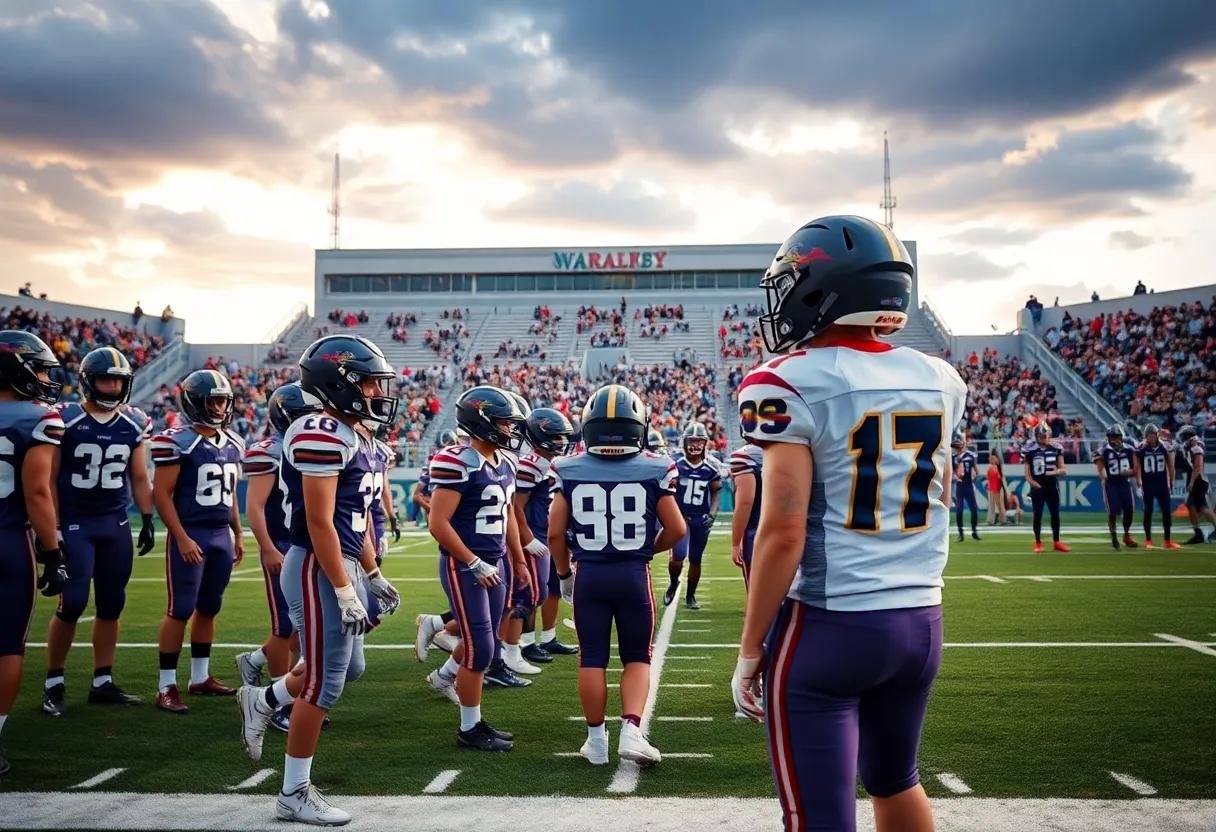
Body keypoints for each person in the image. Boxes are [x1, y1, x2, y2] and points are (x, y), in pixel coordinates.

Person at [730, 216, 967, 832]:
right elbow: (938, 488)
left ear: (821, 288)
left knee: (819, 817)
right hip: (921, 622)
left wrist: (752, 645)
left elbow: (781, 528)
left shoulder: (787, 380)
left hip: (832, 628)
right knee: (897, 782)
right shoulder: (941, 378)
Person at [237, 335, 400, 825]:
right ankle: (294, 792)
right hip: (314, 564)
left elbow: (356, 521)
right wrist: (345, 587)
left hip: (341, 561)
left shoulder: (363, 437)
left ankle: (263, 699)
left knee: (349, 670)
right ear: (339, 384)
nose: (378, 391)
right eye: (369, 382)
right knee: (325, 685)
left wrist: (370, 573)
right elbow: (319, 523)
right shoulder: (319, 431)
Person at [549, 384, 685, 766]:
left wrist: (564, 575)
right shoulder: (656, 467)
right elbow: (677, 530)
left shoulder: (568, 467)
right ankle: (631, 731)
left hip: (589, 573)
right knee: (637, 657)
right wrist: (645, 550)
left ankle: (596, 742)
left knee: (591, 657)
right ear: (638, 426)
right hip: (632, 575)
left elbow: (555, 533)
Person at [43, 348, 155, 716]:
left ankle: (102, 681)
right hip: (76, 522)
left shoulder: (133, 423)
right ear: (89, 380)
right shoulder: (66, 419)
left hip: (115, 523)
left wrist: (148, 517)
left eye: (118, 380)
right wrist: (54, 530)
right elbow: (50, 480)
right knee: (72, 603)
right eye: (106, 378)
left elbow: (139, 476)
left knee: (111, 604)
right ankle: (54, 681)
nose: (112, 386)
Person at [424, 386, 528, 748]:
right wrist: (472, 560)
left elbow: (508, 517)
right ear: (481, 422)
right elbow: (438, 523)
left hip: (494, 561)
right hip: (463, 564)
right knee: (480, 647)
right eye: (503, 423)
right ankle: (470, 728)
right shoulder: (457, 460)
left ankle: (451, 687)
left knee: (486, 641)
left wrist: (517, 558)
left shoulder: (506, 462)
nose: (510, 431)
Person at [149, 370, 244, 713]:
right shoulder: (177, 440)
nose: (219, 407)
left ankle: (200, 676)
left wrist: (238, 530)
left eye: (223, 400)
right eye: (213, 400)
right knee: (181, 609)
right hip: (191, 532)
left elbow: (230, 494)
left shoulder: (233, 442)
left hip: (220, 533)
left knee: (210, 607)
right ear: (194, 402)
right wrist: (182, 537)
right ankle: (166, 685)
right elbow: (161, 495)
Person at [234, 383, 322, 724]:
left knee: (303, 625)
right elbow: (254, 507)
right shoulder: (268, 450)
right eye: (306, 414)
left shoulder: (311, 446)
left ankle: (257, 664)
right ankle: (276, 703)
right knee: (284, 625)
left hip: (302, 542)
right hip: (281, 544)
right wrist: (268, 547)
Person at [0, 331, 67, 776]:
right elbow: (38, 492)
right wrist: (52, 551)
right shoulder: (38, 418)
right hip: (7, 540)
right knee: (7, 646)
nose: (45, 377)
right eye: (40, 369)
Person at [512, 407, 575, 666]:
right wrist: (527, 538)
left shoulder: (553, 464)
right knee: (531, 593)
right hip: (536, 535)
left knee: (553, 589)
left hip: (550, 534)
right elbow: (514, 507)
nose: (562, 442)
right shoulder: (529, 465)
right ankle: (526, 643)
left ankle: (549, 637)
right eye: (557, 436)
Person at [663, 422, 721, 610]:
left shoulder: (710, 469)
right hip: (681, 518)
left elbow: (716, 492)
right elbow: (667, 493)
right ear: (685, 442)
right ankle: (673, 583)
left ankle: (691, 596)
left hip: (700, 518)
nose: (695, 445)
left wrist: (712, 514)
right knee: (678, 555)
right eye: (692, 440)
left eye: (699, 441)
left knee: (696, 559)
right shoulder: (676, 466)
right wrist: (674, 514)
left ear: (705, 443)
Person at [1023, 424, 1069, 553]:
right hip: (1038, 487)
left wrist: (1052, 473)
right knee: (1037, 514)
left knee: (1055, 514)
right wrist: (1032, 483)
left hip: (1051, 485)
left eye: (1046, 435)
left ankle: (1056, 541)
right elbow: (1027, 473)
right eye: (1042, 436)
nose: (1045, 438)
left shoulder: (1056, 448)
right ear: (1037, 436)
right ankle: (1037, 542)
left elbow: (1063, 469)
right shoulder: (1030, 450)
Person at [1134, 424, 1179, 549]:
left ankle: (1167, 540)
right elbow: (1137, 464)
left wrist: (1172, 478)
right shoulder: (1141, 448)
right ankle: (1148, 540)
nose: (1151, 437)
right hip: (1148, 484)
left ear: (1157, 435)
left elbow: (1170, 464)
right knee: (1148, 511)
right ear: (1146, 436)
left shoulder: (1165, 446)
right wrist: (1138, 478)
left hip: (1161, 483)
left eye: (1153, 435)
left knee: (1166, 511)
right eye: (1149, 435)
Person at [729, 432, 763, 591]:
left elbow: (745, 503)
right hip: (794, 529)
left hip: (758, 531)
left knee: (758, 595)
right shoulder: (791, 452)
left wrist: (736, 543)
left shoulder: (747, 456)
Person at [1095, 424, 1137, 550]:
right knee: (1113, 512)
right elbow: (1100, 469)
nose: (1115, 439)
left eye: (1117, 436)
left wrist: (1131, 472)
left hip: (1124, 483)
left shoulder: (1129, 449)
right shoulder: (1103, 450)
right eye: (1112, 437)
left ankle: (1126, 534)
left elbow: (1135, 467)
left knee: (1129, 511)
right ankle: (1114, 537)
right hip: (1111, 484)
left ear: (1122, 437)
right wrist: (1104, 477)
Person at [1176, 425, 1216, 543]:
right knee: (1190, 504)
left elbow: (1198, 465)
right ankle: (1198, 532)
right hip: (1196, 477)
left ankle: (1207, 530)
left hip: (1199, 478)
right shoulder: (1193, 444)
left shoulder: (1194, 444)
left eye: (1183, 436)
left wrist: (1192, 482)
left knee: (1201, 507)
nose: (1182, 439)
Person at [952, 436, 980, 541]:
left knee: (974, 508)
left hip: (968, 484)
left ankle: (974, 531)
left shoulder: (970, 455)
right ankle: (961, 533)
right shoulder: (954, 457)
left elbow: (976, 469)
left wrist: (975, 478)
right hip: (960, 485)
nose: (957, 449)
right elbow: (952, 471)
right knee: (959, 509)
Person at [985, 451, 1008, 526]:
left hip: (999, 487)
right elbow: (988, 476)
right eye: (990, 458)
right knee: (991, 505)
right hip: (992, 487)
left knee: (1000, 504)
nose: (991, 460)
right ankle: (991, 520)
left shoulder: (999, 467)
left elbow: (1002, 478)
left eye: (993, 458)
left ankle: (1003, 519)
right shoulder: (990, 467)